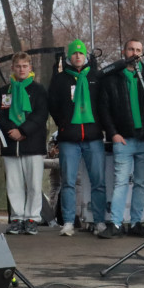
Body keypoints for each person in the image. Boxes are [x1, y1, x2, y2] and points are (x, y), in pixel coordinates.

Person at [97, 39, 144, 239]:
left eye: (139, 50)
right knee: (121, 182)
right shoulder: (112, 78)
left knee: (141, 182)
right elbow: (104, 109)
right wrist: (113, 133)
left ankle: (137, 222)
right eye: (131, 49)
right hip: (123, 138)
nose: (135, 53)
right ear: (124, 51)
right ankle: (115, 223)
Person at [48, 39, 106, 236]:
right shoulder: (60, 79)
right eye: (74, 53)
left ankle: (98, 221)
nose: (78, 56)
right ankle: (69, 222)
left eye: (81, 53)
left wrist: (101, 126)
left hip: (93, 137)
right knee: (68, 182)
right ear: (69, 57)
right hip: (69, 138)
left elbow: (103, 104)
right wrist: (63, 124)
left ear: (86, 56)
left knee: (97, 181)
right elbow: (53, 105)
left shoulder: (96, 77)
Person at [0, 52, 49, 235]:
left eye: (25, 66)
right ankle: (17, 217)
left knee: (34, 184)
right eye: (18, 66)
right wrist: (12, 130)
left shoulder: (39, 90)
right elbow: (0, 115)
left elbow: (40, 115)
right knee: (14, 184)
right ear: (12, 68)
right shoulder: (3, 92)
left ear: (30, 68)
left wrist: (23, 131)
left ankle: (32, 217)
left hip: (33, 143)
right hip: (11, 145)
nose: (22, 69)